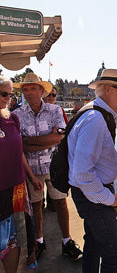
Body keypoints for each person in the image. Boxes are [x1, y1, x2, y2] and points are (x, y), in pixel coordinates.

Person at [68, 69, 117, 273]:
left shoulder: (93, 112)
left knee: (93, 244)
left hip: (88, 193)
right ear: (107, 89)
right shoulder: (96, 120)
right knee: (114, 256)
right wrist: (109, 198)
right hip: (93, 195)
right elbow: (83, 174)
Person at [13, 72, 82, 261]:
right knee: (36, 207)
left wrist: (28, 142)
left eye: (32, 89)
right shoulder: (16, 115)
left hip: (54, 168)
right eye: (25, 90)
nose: (28, 93)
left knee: (61, 203)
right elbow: (19, 146)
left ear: (42, 91)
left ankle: (67, 241)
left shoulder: (55, 111)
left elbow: (59, 137)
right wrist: (47, 141)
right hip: (31, 171)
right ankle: (39, 241)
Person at [0, 76, 43, 272]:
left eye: (10, 94)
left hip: (17, 188)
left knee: (15, 238)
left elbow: (19, 153)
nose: (8, 99)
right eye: (3, 94)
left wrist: (32, 178)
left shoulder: (12, 118)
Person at [43, 86, 69, 212]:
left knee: (53, 181)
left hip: (54, 154)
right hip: (37, 159)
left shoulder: (60, 110)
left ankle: (52, 204)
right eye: (48, 94)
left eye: (53, 95)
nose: (51, 97)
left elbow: (65, 131)